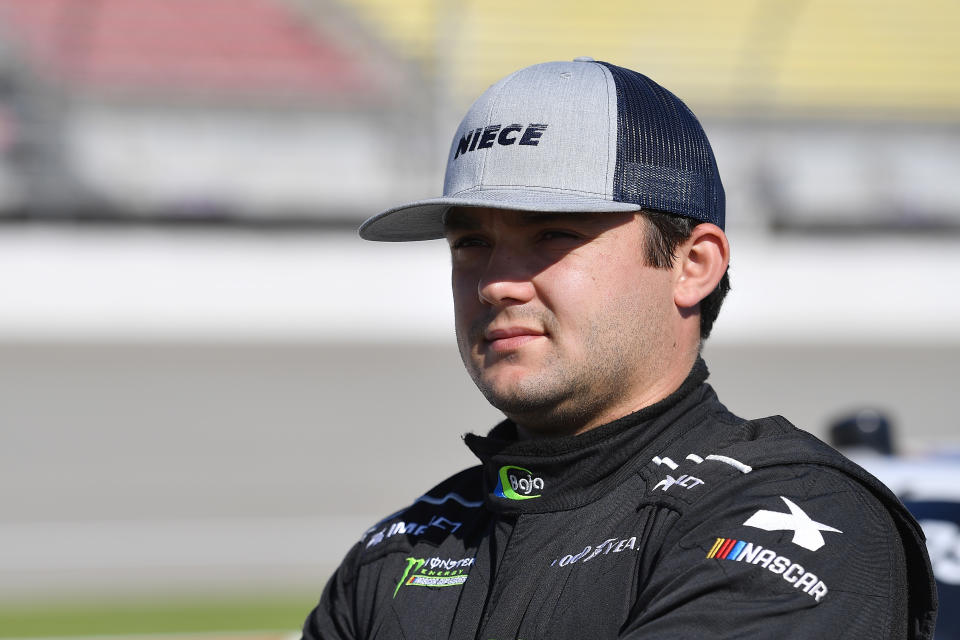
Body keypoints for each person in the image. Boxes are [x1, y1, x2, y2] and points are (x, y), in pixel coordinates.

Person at [302, 59, 937, 639]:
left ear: (693, 265)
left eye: (552, 234)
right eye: (471, 243)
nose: (495, 282)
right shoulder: (402, 549)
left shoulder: (791, 518)